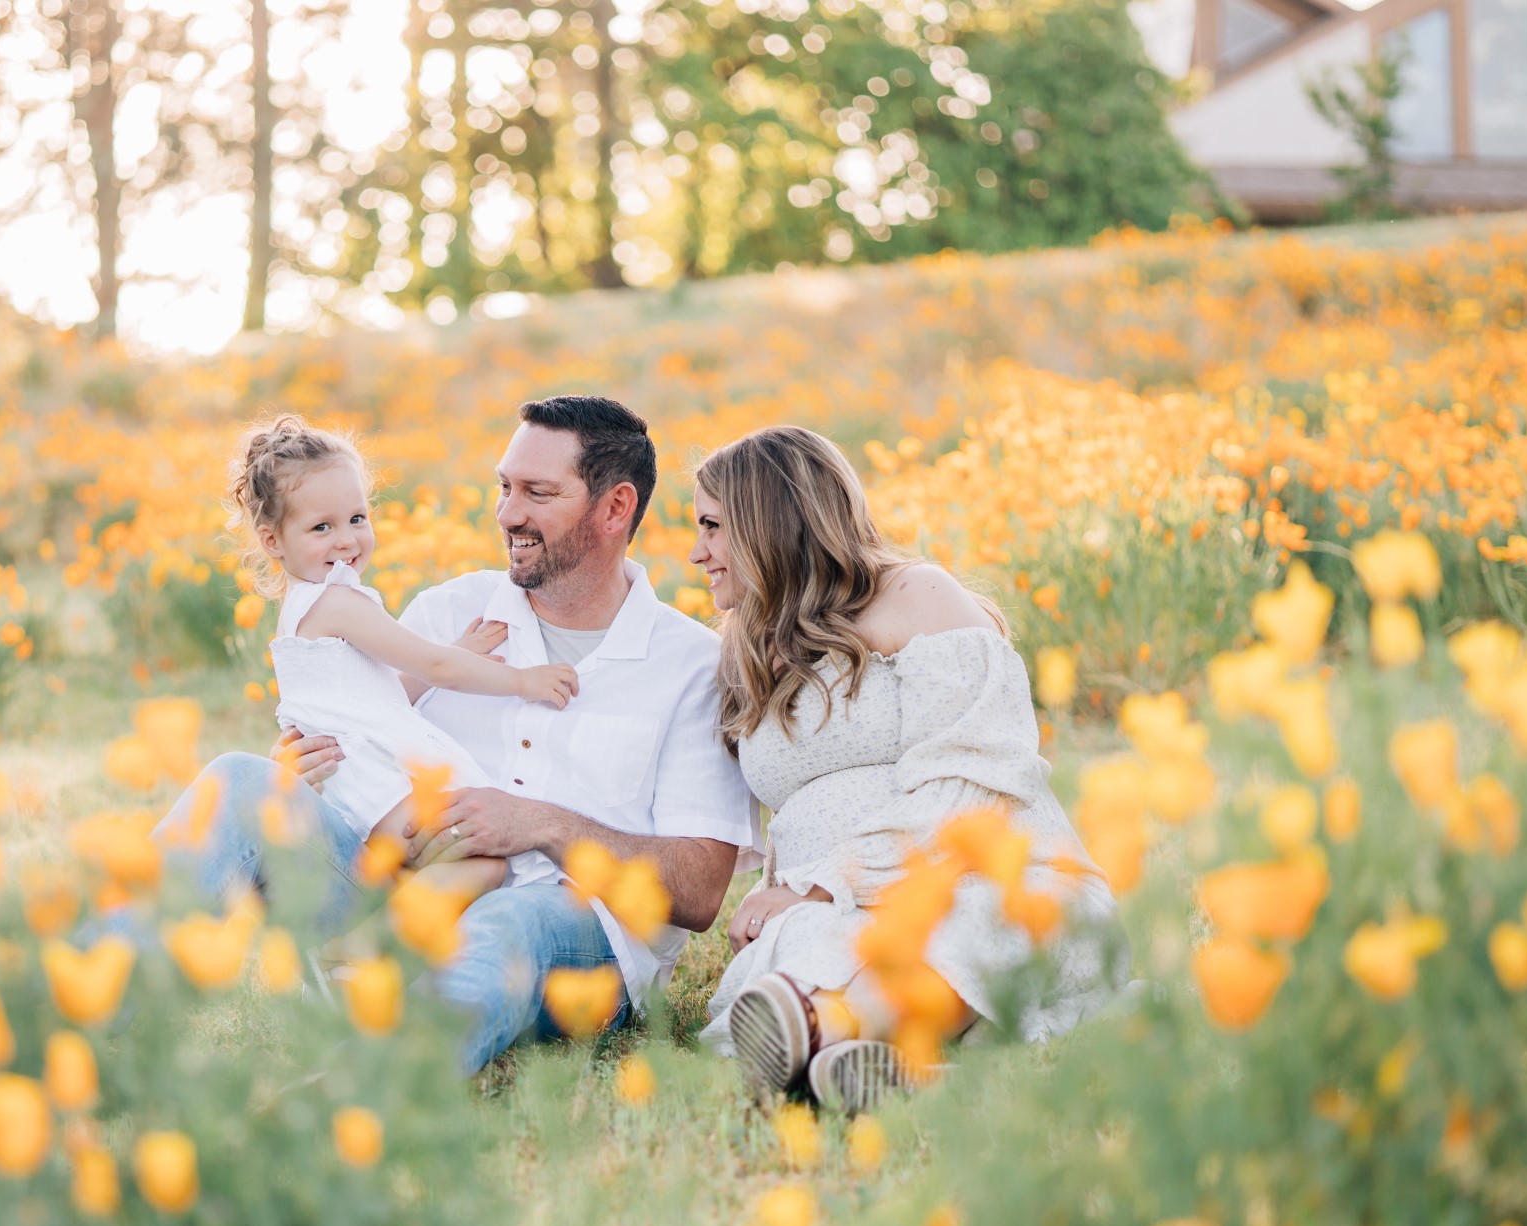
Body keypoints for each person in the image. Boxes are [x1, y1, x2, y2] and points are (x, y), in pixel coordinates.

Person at [155, 396, 759, 1074]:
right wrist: (302, 771)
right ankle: (79, 1006)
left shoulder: (691, 665)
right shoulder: (446, 612)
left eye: (537, 492)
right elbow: (372, 721)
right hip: (399, 903)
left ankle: (345, 1106)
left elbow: (701, 892)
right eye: (504, 486)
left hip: (566, 935)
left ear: (615, 508)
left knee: (512, 921)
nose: (507, 513)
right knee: (238, 780)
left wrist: (539, 823)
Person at [688, 425, 1126, 1111]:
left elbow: (973, 778)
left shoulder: (913, 595)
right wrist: (795, 895)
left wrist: (826, 883)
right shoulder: (746, 645)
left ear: (765, 520)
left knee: (969, 921)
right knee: (811, 943)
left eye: (712, 526)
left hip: (976, 873)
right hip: (841, 901)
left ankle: (828, 1030)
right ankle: (884, 1067)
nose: (697, 552)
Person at [225, 414, 579, 900]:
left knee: (467, 869)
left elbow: (379, 691)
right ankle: (369, 947)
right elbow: (432, 667)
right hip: (375, 781)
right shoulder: (336, 602)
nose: (347, 539)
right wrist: (523, 681)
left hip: (352, 783)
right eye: (321, 527)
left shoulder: (309, 606)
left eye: (357, 518)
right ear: (273, 541)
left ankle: (372, 939)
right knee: (485, 863)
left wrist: (457, 650)